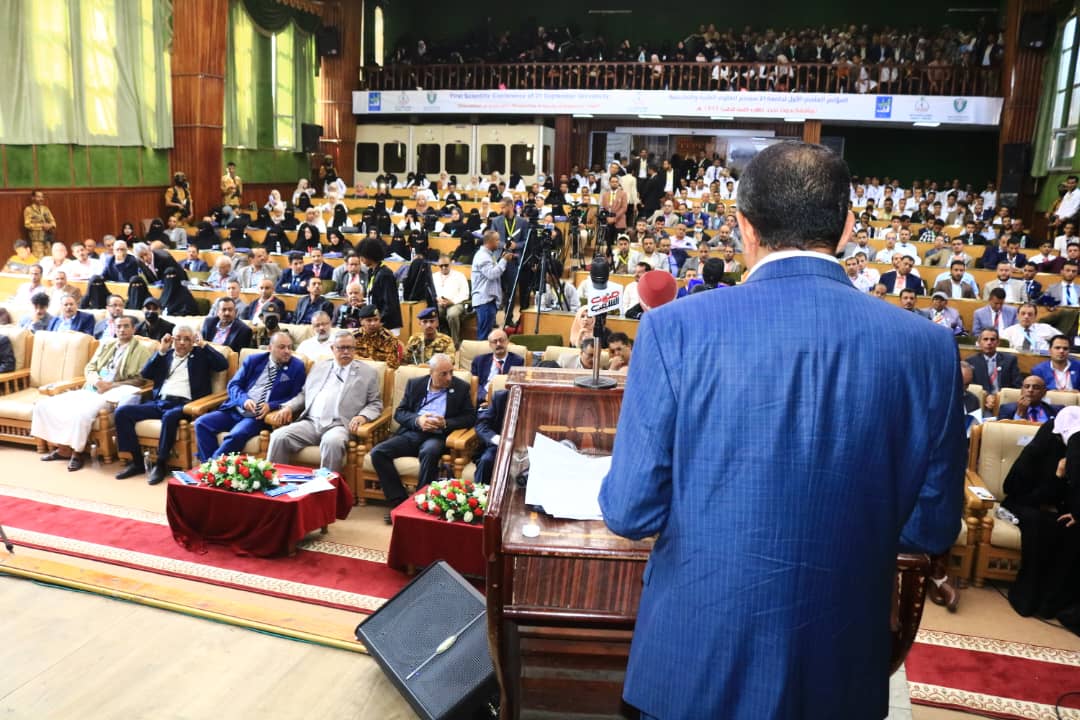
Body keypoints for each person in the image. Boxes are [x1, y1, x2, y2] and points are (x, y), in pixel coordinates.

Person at [598, 142, 963, 720]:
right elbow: (931, 526)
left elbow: (630, 511)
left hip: (696, 653)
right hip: (839, 653)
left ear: (742, 226)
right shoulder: (928, 347)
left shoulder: (674, 330)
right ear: (847, 226)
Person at [33, 316, 153, 471]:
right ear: (114, 329)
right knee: (44, 405)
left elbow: (140, 380)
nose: (122, 330)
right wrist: (97, 381)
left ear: (133, 329)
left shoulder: (141, 351)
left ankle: (77, 453)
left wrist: (111, 386)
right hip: (92, 388)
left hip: (113, 393)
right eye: (119, 327)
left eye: (126, 326)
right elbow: (90, 368)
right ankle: (63, 448)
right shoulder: (107, 344)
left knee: (81, 414)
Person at [114, 326, 229, 484]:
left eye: (187, 339)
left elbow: (222, 365)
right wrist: (160, 351)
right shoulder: (165, 355)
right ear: (172, 339)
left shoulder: (201, 355)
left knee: (169, 417)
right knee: (122, 412)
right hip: (160, 402)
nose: (182, 343)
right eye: (178, 338)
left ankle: (160, 464)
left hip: (186, 404)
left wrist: (203, 344)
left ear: (193, 341)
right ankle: (137, 462)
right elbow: (146, 374)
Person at [369, 353, 476, 523]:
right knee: (378, 453)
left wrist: (445, 423)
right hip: (413, 432)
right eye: (443, 374)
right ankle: (400, 502)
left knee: (429, 451)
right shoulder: (415, 384)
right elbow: (400, 412)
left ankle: (419, 503)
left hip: (438, 436)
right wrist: (417, 420)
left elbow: (470, 417)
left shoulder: (461, 387)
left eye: (451, 372)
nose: (449, 378)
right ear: (431, 372)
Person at [999, 407, 1080, 623]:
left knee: (1072, 530)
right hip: (1023, 503)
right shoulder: (1038, 450)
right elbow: (1016, 489)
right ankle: (1026, 598)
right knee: (1039, 524)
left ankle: (1050, 603)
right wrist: (1058, 476)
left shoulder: (1075, 456)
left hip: (1055, 510)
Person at [266, 330, 383, 473]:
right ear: (332, 348)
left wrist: (363, 416)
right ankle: (274, 484)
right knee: (278, 437)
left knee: (332, 442)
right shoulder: (319, 366)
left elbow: (375, 403)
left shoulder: (367, 373)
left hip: (339, 425)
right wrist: (288, 407)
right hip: (311, 422)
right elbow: (304, 395)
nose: (346, 352)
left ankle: (325, 491)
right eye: (341, 348)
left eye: (350, 348)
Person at [193, 331, 306, 461]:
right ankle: (212, 471)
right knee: (201, 423)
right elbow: (233, 385)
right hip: (236, 409)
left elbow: (296, 396)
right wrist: (244, 400)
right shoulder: (254, 361)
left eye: (289, 347)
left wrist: (271, 405)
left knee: (236, 435)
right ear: (270, 348)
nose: (287, 351)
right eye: (282, 347)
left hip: (258, 416)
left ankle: (211, 468)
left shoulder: (296, 367)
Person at [967, 328, 1022, 415]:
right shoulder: (971, 361)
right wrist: (986, 396)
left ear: (998, 342)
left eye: (992, 339)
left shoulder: (1010, 360)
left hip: (1004, 403)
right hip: (982, 403)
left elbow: (1017, 385)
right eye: (985, 339)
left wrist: (1000, 397)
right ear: (979, 342)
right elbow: (970, 387)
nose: (989, 342)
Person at [471, 230, 512, 340]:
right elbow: (492, 274)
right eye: (497, 240)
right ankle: (481, 356)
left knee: (486, 333)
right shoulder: (482, 256)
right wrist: (503, 260)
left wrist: (502, 259)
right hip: (484, 300)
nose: (499, 243)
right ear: (490, 241)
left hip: (488, 300)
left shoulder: (488, 255)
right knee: (483, 336)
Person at [358, 238, 403, 333]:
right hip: (377, 322)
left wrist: (379, 321)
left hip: (387, 325)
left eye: (363, 256)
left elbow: (390, 303)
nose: (360, 259)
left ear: (371, 255)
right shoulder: (372, 272)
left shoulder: (385, 274)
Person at [471, 328, 524, 405]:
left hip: (504, 402)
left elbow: (516, 386)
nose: (498, 344)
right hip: (482, 400)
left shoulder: (517, 361)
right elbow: (474, 384)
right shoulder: (479, 360)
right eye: (495, 341)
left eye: (501, 340)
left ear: (507, 342)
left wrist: (493, 400)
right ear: (490, 345)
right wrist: (485, 397)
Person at [472, 388, 508, 486]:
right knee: (486, 460)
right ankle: (480, 497)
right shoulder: (501, 397)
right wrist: (496, 438)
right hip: (502, 446)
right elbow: (482, 425)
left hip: (534, 448)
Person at [432, 255, 470, 348]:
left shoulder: (459, 275)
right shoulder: (434, 276)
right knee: (434, 313)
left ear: (451, 264)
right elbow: (431, 292)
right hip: (439, 303)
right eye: (441, 266)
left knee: (452, 315)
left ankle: (454, 343)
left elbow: (465, 293)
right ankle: (438, 340)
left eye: (446, 265)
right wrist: (437, 299)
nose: (444, 267)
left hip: (456, 303)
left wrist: (452, 301)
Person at [23, 190, 57, 258]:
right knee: (39, 260)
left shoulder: (45, 209)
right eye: (38, 197)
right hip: (36, 241)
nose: (41, 199)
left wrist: (50, 225)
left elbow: (53, 222)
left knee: (49, 259)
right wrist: (41, 226)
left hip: (47, 239)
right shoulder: (29, 209)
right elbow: (27, 225)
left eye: (42, 197)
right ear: (33, 198)